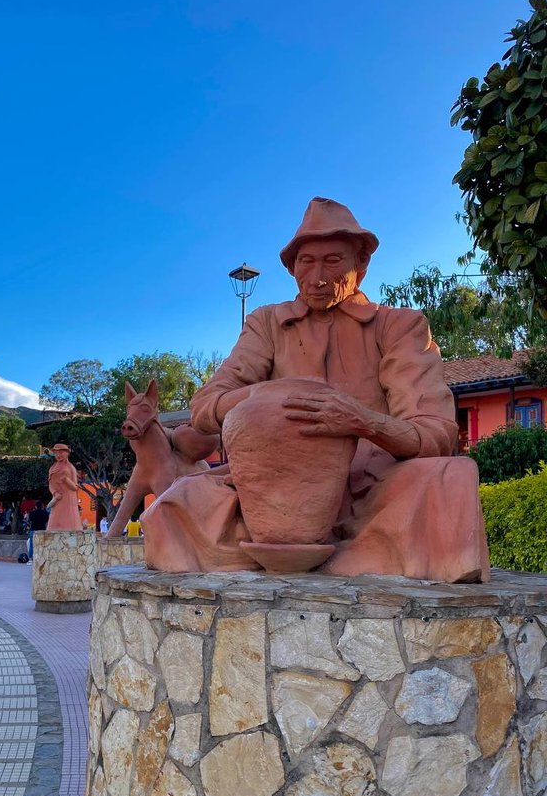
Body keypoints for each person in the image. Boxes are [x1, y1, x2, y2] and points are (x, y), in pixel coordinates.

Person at [143, 197, 489, 583]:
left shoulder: (399, 326)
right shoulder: (268, 324)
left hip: (371, 489)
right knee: (173, 507)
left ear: (361, 264)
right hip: (269, 490)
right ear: (292, 268)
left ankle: (362, 553)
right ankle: (333, 554)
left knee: (451, 478)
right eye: (307, 263)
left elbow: (435, 432)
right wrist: (264, 396)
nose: (318, 277)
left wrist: (363, 422)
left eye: (333, 261)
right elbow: (205, 405)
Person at [46, 444, 82, 531]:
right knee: (53, 525)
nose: (58, 455)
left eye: (61, 453)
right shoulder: (52, 468)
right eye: (56, 453)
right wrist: (54, 493)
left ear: (67, 453)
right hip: (58, 498)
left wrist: (66, 481)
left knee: (71, 524)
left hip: (69, 500)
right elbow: (50, 484)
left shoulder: (71, 468)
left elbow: (75, 487)